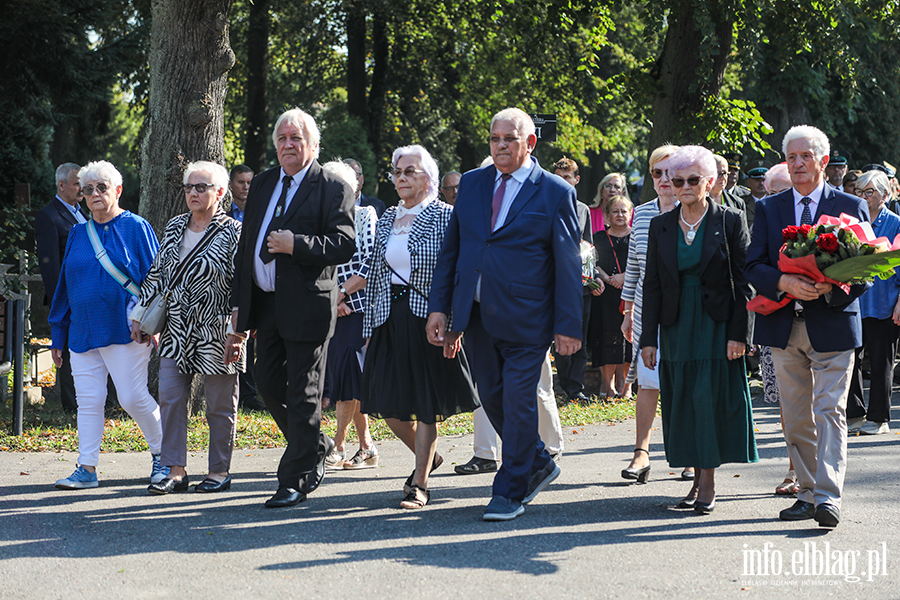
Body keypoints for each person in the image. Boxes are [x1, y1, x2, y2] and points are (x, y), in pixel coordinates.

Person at [427, 107, 582, 521]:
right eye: (495, 139)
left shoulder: (554, 192)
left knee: (517, 400)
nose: (500, 146)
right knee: (491, 396)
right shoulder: (473, 184)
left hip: (528, 318)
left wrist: (568, 326)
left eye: (509, 139)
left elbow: (567, 265)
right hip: (475, 316)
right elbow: (453, 251)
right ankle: (537, 462)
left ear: (530, 143)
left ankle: (510, 489)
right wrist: (441, 307)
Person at [231, 108, 356, 508]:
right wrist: (240, 306)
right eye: (282, 138)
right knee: (266, 384)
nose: (288, 145)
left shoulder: (333, 186)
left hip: (308, 307)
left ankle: (296, 478)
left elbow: (344, 243)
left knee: (303, 394)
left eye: (296, 138)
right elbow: (246, 245)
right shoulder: (264, 182)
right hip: (265, 306)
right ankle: (315, 443)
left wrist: (295, 244)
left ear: (313, 145)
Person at [745, 125, 870, 528]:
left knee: (829, 410)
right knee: (797, 414)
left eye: (805, 156)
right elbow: (753, 265)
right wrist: (785, 282)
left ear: (823, 160)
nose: (797, 163)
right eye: (791, 156)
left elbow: (866, 271)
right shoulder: (768, 207)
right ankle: (806, 491)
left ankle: (829, 497)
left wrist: (828, 288)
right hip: (783, 326)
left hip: (832, 324)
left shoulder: (850, 205)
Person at [641, 145, 758, 514]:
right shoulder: (660, 225)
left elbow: (745, 283)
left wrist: (741, 334)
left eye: (693, 179)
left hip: (716, 325)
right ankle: (694, 479)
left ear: (709, 182)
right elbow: (653, 285)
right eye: (678, 180)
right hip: (676, 327)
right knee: (684, 402)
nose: (685, 186)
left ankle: (707, 482)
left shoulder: (730, 220)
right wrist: (648, 338)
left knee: (708, 400)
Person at [360, 144, 478, 509]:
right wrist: (367, 324)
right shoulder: (387, 217)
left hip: (429, 316)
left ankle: (420, 483)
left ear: (429, 178)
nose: (401, 177)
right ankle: (427, 456)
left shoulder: (445, 216)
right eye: (397, 172)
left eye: (409, 171)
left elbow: (459, 272)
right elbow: (376, 273)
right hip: (387, 316)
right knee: (382, 401)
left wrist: (453, 321)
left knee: (426, 403)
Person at [128, 161, 244, 495]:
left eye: (202, 187)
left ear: (220, 192)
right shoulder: (176, 226)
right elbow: (158, 272)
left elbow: (243, 285)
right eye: (189, 187)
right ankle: (175, 471)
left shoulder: (234, 232)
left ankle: (219, 471)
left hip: (218, 329)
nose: (193, 193)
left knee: (219, 406)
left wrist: (240, 331)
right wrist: (140, 314)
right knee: (171, 399)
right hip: (176, 329)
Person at [49, 160, 165, 489]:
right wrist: (58, 333)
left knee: (131, 397)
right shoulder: (77, 233)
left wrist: (150, 322)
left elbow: (156, 280)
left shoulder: (135, 227)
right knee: (88, 401)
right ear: (82, 196)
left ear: (118, 190)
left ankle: (164, 456)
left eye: (102, 187)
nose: (95, 193)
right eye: (88, 189)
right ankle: (86, 468)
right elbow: (65, 286)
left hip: (127, 329)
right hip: (83, 331)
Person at [620, 144, 692, 483]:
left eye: (670, 173)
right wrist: (627, 309)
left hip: (685, 313)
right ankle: (641, 452)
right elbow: (634, 266)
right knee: (648, 384)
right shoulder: (642, 213)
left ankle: (689, 453)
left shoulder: (694, 210)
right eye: (657, 173)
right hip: (646, 313)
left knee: (683, 383)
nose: (664, 179)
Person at [319, 160, 379, 470]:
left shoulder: (366, 215)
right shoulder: (323, 219)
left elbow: (371, 263)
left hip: (360, 308)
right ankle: (366, 446)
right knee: (348, 379)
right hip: (335, 308)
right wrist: (333, 299)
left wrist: (341, 294)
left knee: (348, 378)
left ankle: (340, 445)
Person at [847, 170, 899, 436]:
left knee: (881, 362)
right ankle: (854, 413)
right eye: (859, 191)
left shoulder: (895, 223)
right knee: (850, 360)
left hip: (884, 302)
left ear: (885, 195)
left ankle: (879, 418)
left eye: (870, 192)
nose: (864, 197)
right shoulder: (852, 222)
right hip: (854, 302)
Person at [34, 162, 85, 415]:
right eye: (76, 183)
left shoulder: (80, 212)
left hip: (84, 295)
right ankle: (71, 406)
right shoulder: (49, 216)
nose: (81, 188)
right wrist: (59, 303)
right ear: (61, 185)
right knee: (64, 351)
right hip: (65, 296)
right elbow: (50, 265)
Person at [760, 162, 798, 496]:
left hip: (816, 325)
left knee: (818, 405)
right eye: (770, 192)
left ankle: (811, 470)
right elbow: (752, 267)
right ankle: (793, 466)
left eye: (781, 192)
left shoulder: (815, 219)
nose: (774, 199)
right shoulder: (764, 217)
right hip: (775, 320)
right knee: (787, 403)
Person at [552, 157, 595, 401]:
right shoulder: (546, 204)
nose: (563, 182)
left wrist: (592, 278)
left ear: (576, 180)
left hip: (580, 284)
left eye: (567, 177)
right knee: (558, 336)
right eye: (558, 177)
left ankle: (576, 389)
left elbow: (587, 247)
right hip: (554, 283)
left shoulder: (583, 210)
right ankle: (564, 383)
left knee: (581, 335)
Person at [227, 164, 265, 413]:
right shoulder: (222, 214)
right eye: (241, 182)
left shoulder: (259, 214)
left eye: (250, 182)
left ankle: (248, 392)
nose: (246, 187)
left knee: (249, 336)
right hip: (227, 280)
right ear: (230, 185)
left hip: (251, 279)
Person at [593, 195, 633, 398]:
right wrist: (608, 278)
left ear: (630, 213)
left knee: (629, 339)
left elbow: (645, 262)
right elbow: (592, 262)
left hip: (631, 295)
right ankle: (608, 387)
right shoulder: (598, 238)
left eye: (624, 211)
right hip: (605, 294)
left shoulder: (636, 237)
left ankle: (625, 386)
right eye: (615, 211)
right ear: (607, 215)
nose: (620, 215)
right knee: (607, 338)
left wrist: (624, 277)